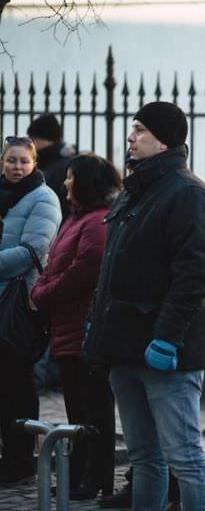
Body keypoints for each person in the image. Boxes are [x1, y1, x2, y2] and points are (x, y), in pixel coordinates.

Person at [82, 101, 205, 510]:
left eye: (139, 129)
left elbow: (193, 278)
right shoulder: (137, 189)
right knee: (145, 459)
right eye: (133, 128)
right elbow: (112, 269)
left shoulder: (188, 194)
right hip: (124, 346)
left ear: (163, 141)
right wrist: (98, 324)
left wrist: (166, 338)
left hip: (165, 355)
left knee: (185, 459)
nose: (130, 136)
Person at [29, 154, 120, 499]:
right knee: (77, 409)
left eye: (70, 177)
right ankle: (80, 474)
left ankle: (95, 478)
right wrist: (44, 287)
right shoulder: (75, 218)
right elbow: (54, 264)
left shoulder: (95, 222)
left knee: (92, 409)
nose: (65, 182)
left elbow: (82, 271)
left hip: (85, 330)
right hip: (68, 329)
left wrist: (43, 293)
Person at [0, 135, 62, 483]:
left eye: (24, 161)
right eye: (11, 160)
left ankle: (20, 458)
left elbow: (33, 250)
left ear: (34, 163)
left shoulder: (44, 198)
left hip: (19, 301)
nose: (17, 167)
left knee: (17, 382)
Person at [27, 113, 76, 221]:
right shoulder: (40, 162)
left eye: (34, 138)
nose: (31, 143)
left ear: (48, 139)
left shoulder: (64, 165)